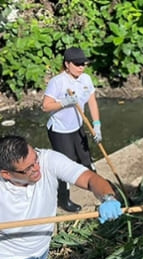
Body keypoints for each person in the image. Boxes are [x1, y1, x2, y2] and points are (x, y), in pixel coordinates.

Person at [41, 47, 102, 212]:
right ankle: (63, 199)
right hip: (60, 130)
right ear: (67, 64)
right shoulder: (58, 82)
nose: (81, 67)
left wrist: (97, 125)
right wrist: (64, 102)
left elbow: (92, 102)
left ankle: (99, 188)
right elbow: (45, 106)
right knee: (65, 164)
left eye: (83, 63)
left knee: (85, 158)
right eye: (77, 64)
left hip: (78, 125)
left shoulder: (86, 79)